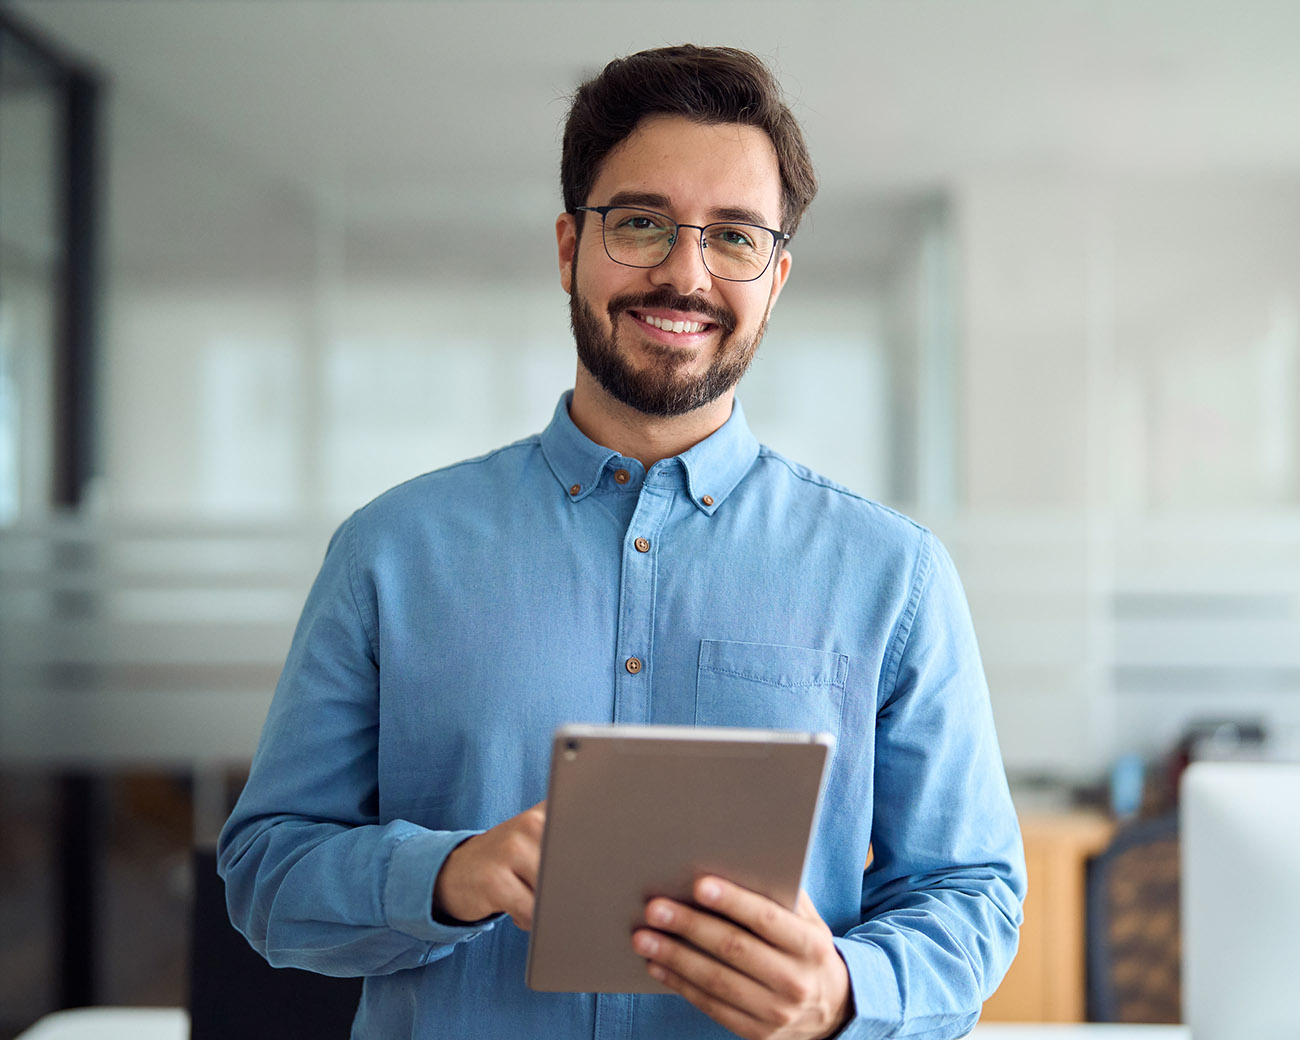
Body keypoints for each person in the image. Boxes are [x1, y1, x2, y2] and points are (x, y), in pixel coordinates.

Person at [218, 44, 1026, 1040]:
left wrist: (845, 990)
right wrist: (447, 873)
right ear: (568, 247)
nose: (684, 273)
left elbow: (973, 891)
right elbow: (265, 873)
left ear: (774, 278)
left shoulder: (893, 577)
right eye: (641, 223)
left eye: (732, 237)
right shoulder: (388, 552)